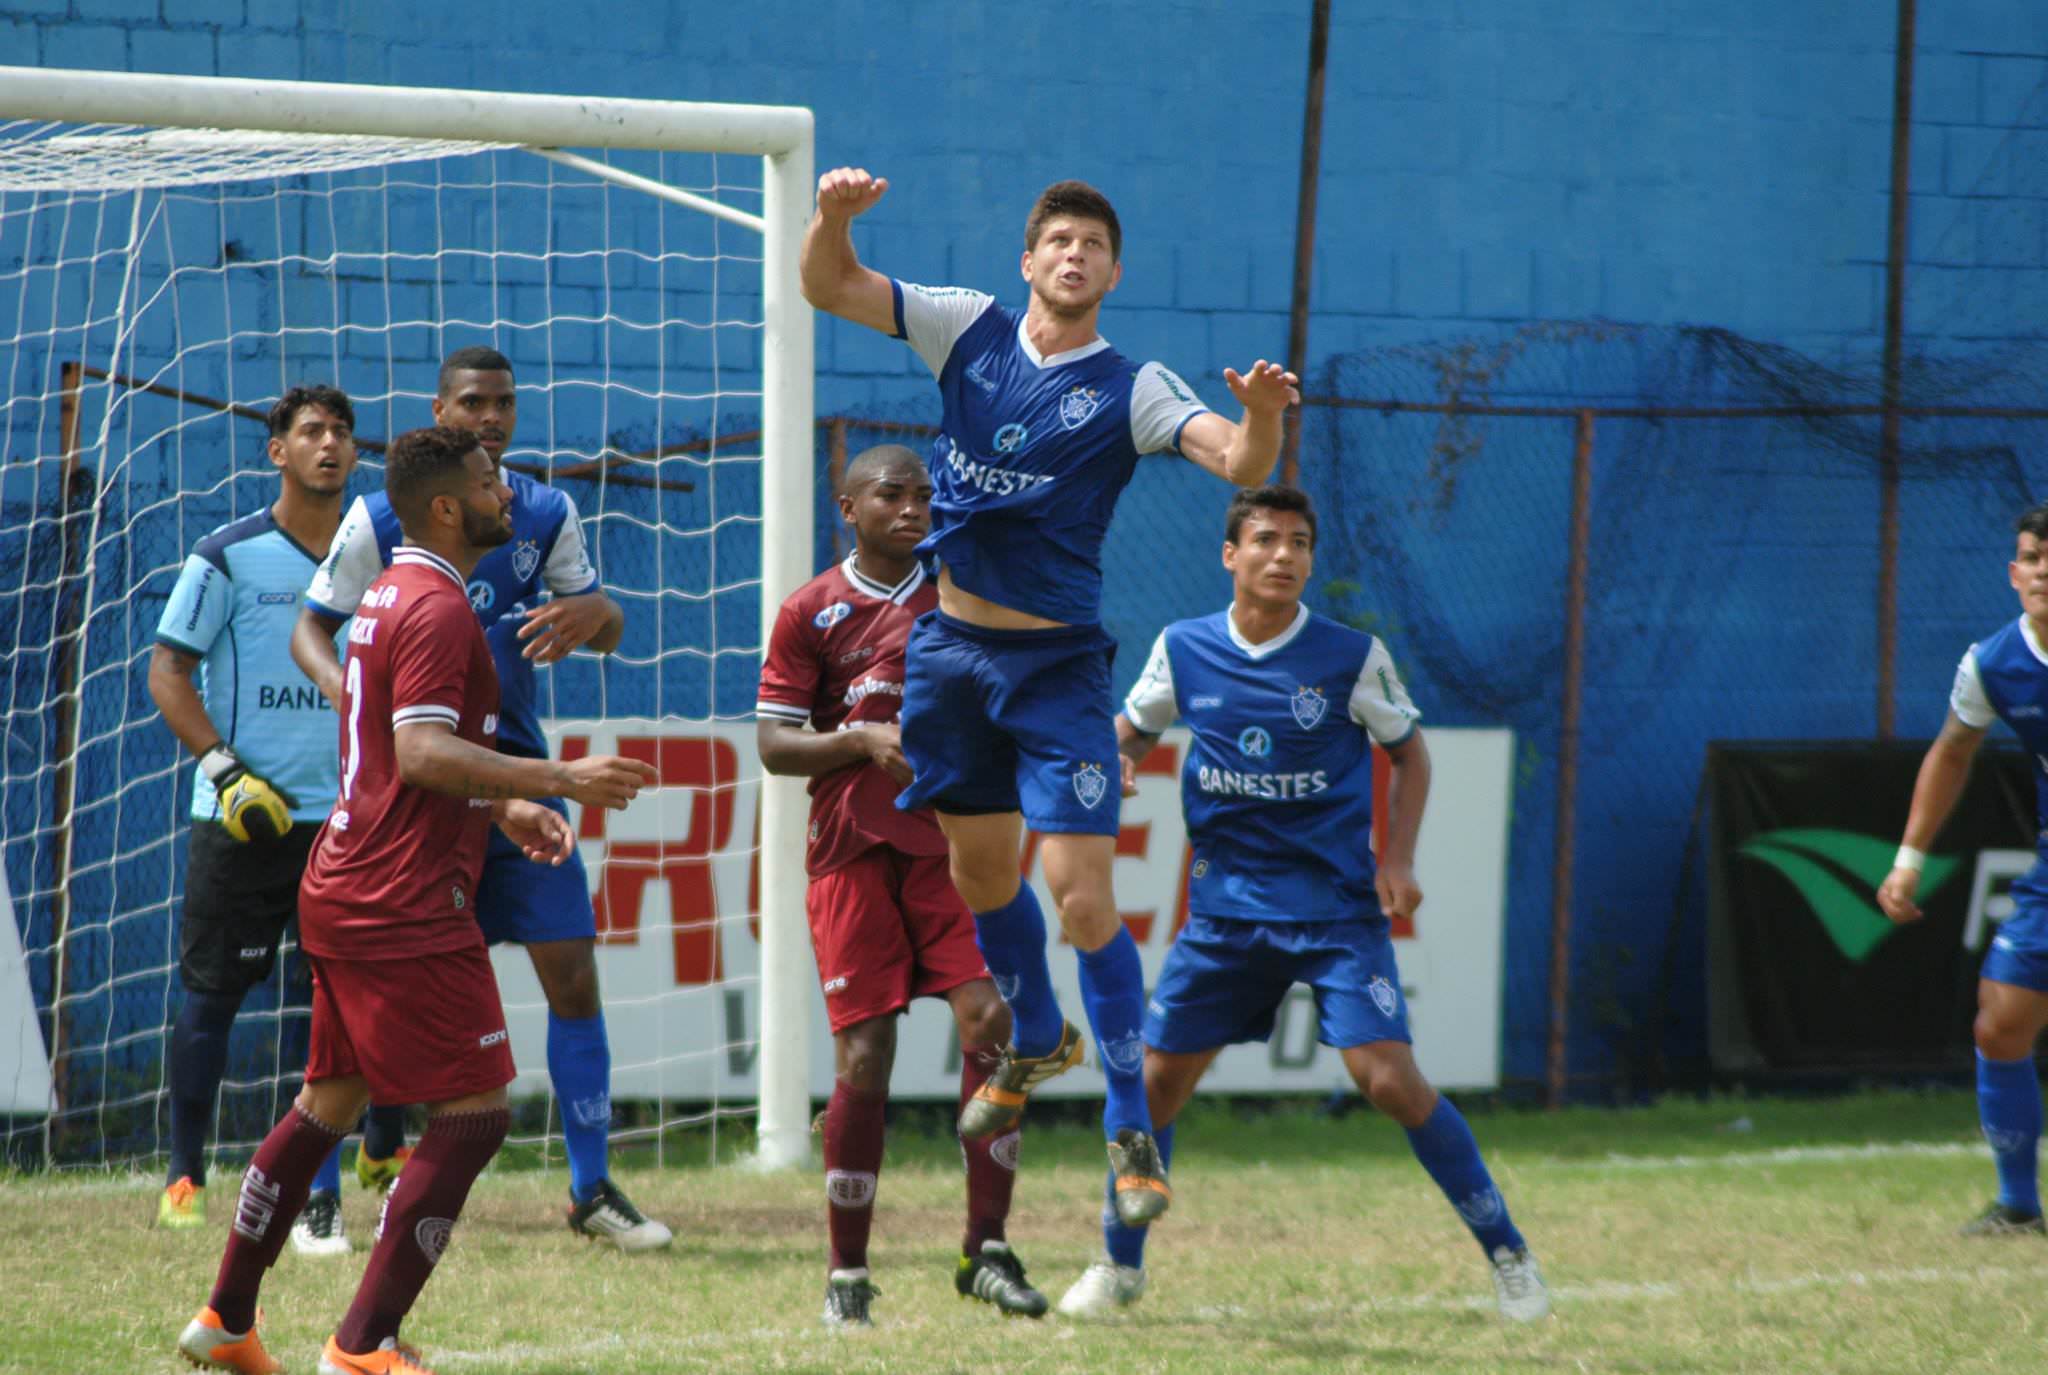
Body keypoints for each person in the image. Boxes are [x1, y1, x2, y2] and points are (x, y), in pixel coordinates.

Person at [799, 168, 1300, 1226]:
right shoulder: (965, 328)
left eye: (1093, 246)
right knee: (982, 876)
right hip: (949, 660)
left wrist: (1259, 418)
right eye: (1059, 240)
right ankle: (1035, 1036)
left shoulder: (1133, 386)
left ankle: (1130, 1128)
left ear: (1114, 275)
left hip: (1058, 671)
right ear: (1027, 260)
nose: (1075, 255)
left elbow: (1236, 458)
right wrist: (833, 219)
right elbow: (828, 286)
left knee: (1080, 895)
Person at [176, 426, 658, 1375]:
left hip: (349, 879)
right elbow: (425, 752)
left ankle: (227, 1318)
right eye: (488, 483)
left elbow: (395, 752)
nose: (506, 495)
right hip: (403, 897)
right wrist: (558, 776)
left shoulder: (389, 592)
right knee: (476, 1113)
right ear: (445, 506)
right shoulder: (437, 607)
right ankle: (362, 1345)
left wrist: (503, 804)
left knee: (327, 1102)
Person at [1075, 484, 1551, 1323]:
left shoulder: (1350, 656)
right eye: (1265, 539)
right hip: (1224, 914)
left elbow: (1411, 755)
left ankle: (1509, 1253)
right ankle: (1119, 1265)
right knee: (1152, 1088)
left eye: (1299, 543)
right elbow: (1133, 728)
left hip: (1333, 911)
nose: (1284, 555)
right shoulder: (1184, 646)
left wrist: (1397, 858)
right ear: (1231, 555)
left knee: (1389, 1080)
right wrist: (1113, 757)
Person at [291, 347, 669, 1251]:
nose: (491, 417)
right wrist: (361, 705)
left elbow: (604, 622)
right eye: (472, 402)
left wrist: (599, 616)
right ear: (441, 410)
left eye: (503, 402)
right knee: (359, 1014)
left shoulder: (539, 511)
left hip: (511, 777)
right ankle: (319, 1193)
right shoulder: (384, 515)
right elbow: (311, 629)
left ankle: (590, 1187)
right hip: (416, 795)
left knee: (572, 972)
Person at [757, 444, 1047, 1327]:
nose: (913, 508)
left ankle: (986, 1248)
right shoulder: (809, 610)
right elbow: (773, 744)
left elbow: (1014, 703)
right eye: (892, 494)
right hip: (850, 851)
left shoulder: (962, 598)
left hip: (953, 843)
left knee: (991, 1020)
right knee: (865, 1055)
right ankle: (847, 1271)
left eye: (924, 495)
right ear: (849, 507)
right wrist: (860, 739)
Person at [147, 384, 404, 1254]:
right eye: (311, 431)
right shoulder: (227, 556)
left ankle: (341, 1169)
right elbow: (168, 671)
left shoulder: (384, 561)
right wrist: (224, 771)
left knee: (340, 1002)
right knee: (210, 999)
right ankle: (184, 1172)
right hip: (245, 819)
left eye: (342, 433)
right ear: (278, 452)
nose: (330, 444)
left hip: (350, 822)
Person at [1879, 500, 2048, 1236]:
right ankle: (2018, 1207)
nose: (2044, 573)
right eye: (2033, 559)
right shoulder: (1993, 663)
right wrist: (1908, 859)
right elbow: (1951, 751)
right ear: (2013, 573)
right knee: (2001, 1023)